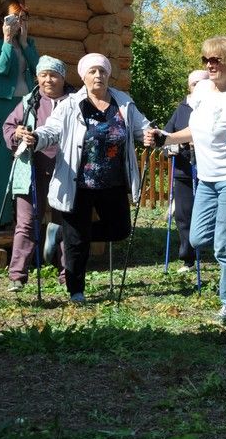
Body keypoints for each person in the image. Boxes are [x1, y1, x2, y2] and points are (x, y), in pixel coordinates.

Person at [14, 53, 154, 303]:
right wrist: (36, 138)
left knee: (120, 229)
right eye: (92, 71)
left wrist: (151, 135)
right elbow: (51, 130)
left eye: (102, 71)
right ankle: (76, 291)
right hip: (78, 181)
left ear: (109, 74)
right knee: (77, 243)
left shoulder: (123, 102)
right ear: (83, 76)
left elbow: (142, 128)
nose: (98, 75)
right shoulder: (70, 104)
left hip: (113, 181)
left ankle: (59, 234)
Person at [150, 37, 226, 323]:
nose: (209, 65)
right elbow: (196, 130)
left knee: (224, 248)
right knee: (196, 238)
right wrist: (166, 137)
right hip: (206, 179)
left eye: (216, 60)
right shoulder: (204, 91)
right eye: (206, 60)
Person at [1, 56, 70, 292]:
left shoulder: (75, 102)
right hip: (32, 168)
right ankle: (17, 276)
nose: (48, 79)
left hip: (66, 168)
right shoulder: (29, 102)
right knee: (27, 222)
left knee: (66, 222)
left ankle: (68, 275)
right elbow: (9, 127)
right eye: (43, 75)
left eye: (54, 75)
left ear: (63, 77)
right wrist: (17, 133)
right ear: (37, 77)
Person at [0, 0, 39, 226]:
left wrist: (25, 41)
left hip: (26, 105)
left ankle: (21, 218)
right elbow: (1, 68)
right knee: (0, 160)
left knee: (23, 158)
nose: (18, 22)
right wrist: (7, 40)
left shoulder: (28, 43)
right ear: (2, 20)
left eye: (22, 18)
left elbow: (39, 69)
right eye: (14, 18)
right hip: (0, 105)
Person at [162, 69, 209, 272]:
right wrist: (170, 148)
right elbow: (165, 136)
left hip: (209, 171)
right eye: (194, 83)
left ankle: (217, 252)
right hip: (184, 171)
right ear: (188, 86)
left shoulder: (214, 105)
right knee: (184, 215)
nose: (197, 87)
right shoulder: (182, 108)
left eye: (202, 82)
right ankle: (188, 258)